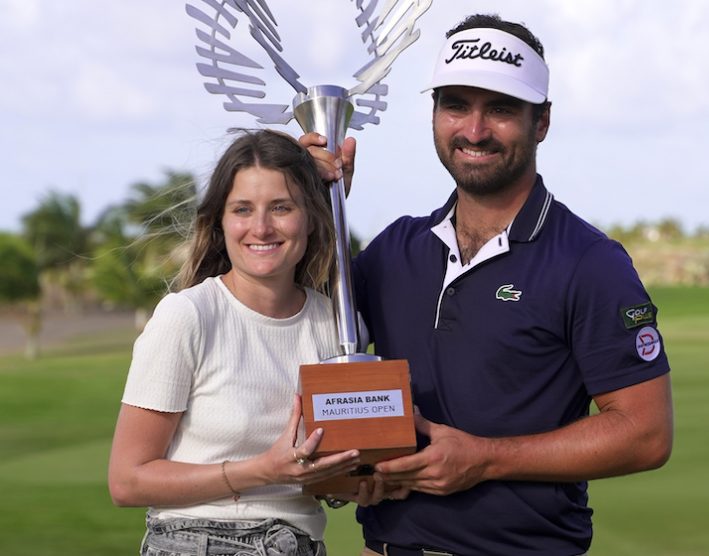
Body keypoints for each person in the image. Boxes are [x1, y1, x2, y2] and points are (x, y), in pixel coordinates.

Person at [302, 13, 674, 556]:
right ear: (434, 113)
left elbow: (646, 434)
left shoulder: (590, 262)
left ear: (541, 122)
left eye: (500, 109)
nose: (474, 130)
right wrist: (312, 208)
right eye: (456, 105)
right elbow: (293, 322)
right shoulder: (395, 250)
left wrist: (485, 458)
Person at [108, 129, 363, 556]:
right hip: (198, 543)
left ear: (310, 216)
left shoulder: (336, 324)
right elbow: (127, 480)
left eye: (281, 207)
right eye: (242, 209)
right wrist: (262, 471)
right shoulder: (188, 316)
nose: (261, 227)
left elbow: (322, 474)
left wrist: (356, 484)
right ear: (220, 221)